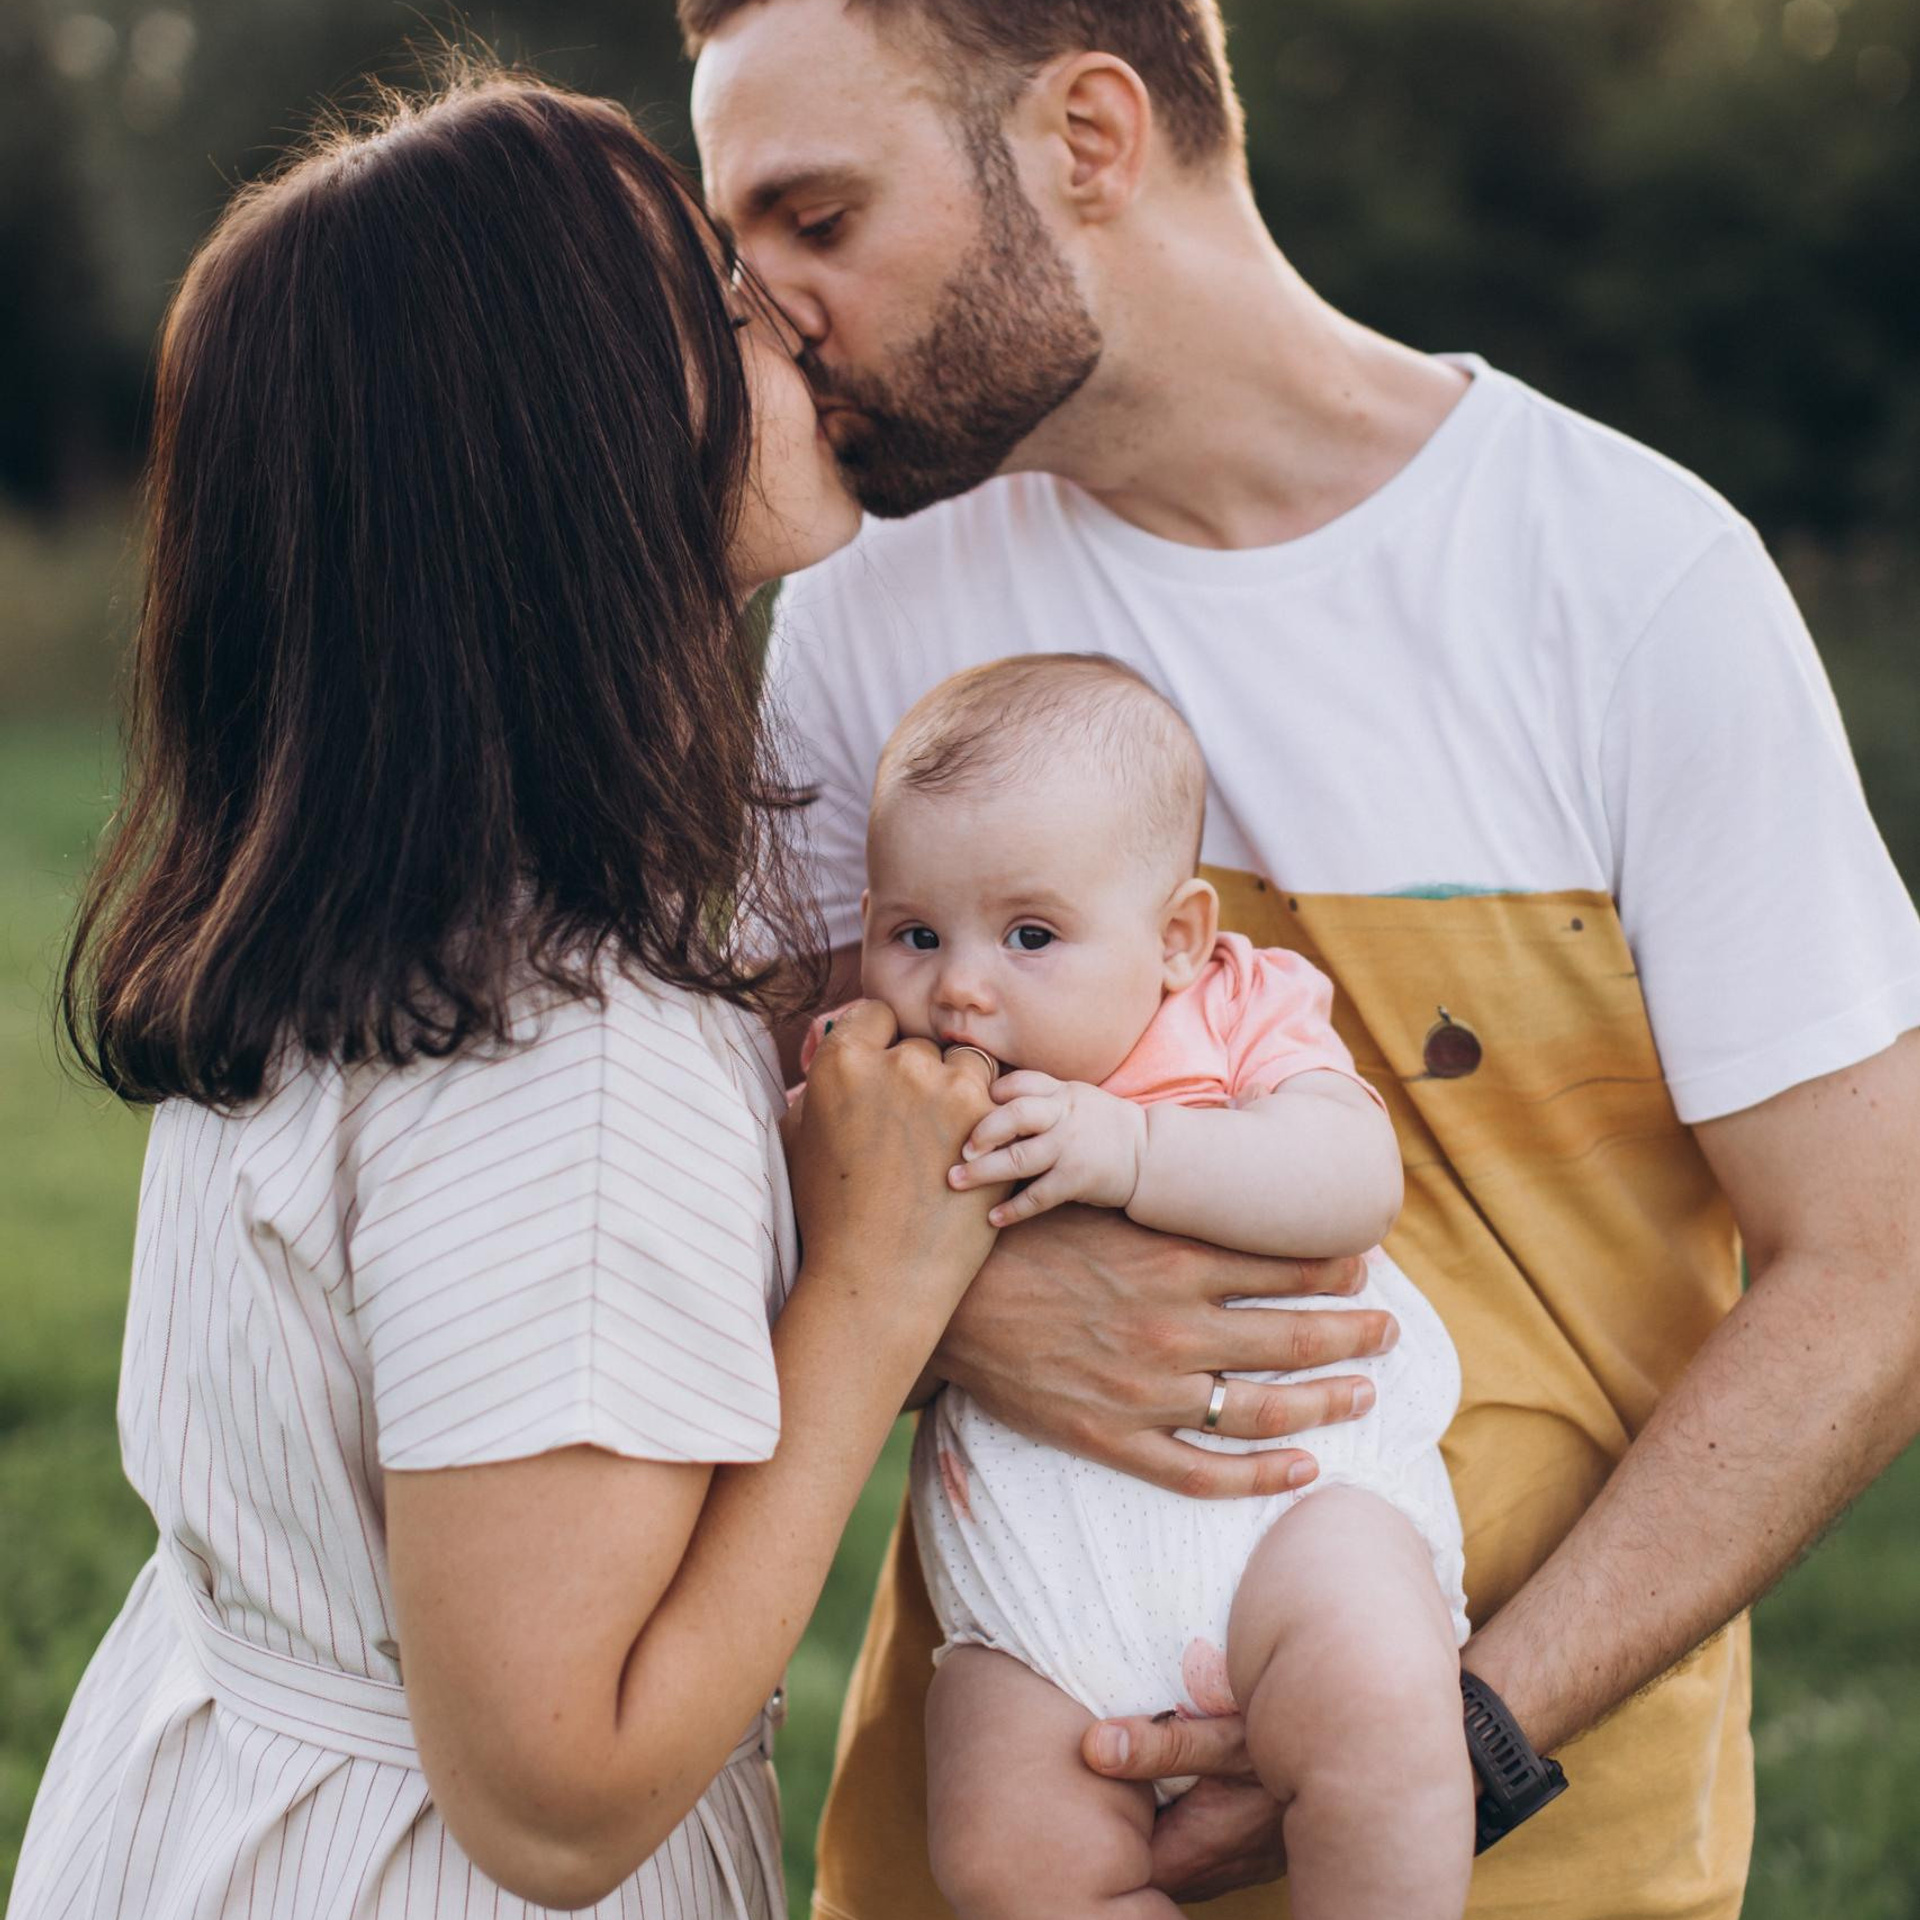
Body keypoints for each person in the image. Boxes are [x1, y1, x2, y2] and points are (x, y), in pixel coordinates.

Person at [680, 1, 1920, 1915]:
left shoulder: (1631, 580)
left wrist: (1464, 1728)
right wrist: (964, 1306)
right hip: (1015, 1821)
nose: (762, 314)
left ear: (1089, 137)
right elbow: (732, 1150)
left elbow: (1880, 1261)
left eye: (817, 222)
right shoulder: (868, 600)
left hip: (1532, 1848)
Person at [16, 64, 1005, 1920]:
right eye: (713, 296)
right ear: (578, 442)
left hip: (210, 1827)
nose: (782, 309)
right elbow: (556, 1798)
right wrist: (871, 1299)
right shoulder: (567, 1061)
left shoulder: (354, 930)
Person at [813, 652, 1475, 1919]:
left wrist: (1135, 1149)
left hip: (1295, 1517)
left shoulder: (1235, 1016)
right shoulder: (881, 1081)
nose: (961, 984)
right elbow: (814, 1281)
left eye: (1030, 936)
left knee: (1384, 1713)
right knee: (1008, 1851)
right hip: (1040, 1594)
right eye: (913, 933)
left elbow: (1353, 1178)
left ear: (1177, 942)